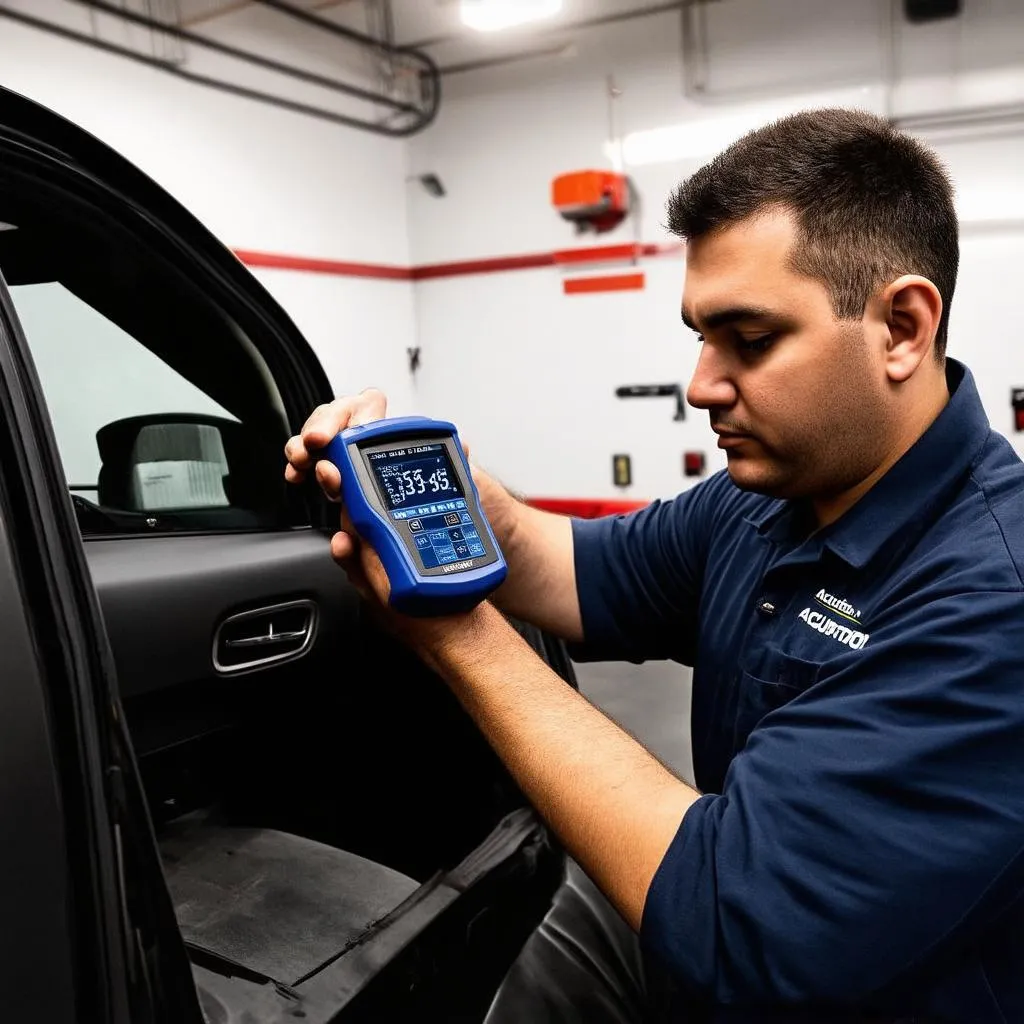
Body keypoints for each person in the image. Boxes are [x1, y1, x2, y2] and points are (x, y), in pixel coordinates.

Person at [283, 109, 1024, 1022]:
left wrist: (458, 638)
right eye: (701, 336)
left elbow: (735, 920)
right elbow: (580, 570)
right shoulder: (764, 500)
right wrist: (456, 505)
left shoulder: (993, 598)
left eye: (749, 341)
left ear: (902, 328)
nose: (704, 384)